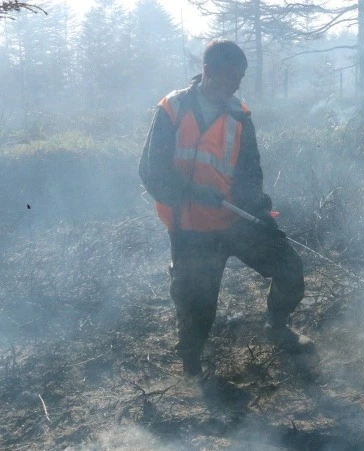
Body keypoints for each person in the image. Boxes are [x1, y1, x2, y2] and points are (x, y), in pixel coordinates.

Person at [139, 40, 313, 377]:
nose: (237, 84)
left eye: (241, 77)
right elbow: (151, 171)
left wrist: (262, 215)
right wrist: (190, 192)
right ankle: (193, 370)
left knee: (290, 269)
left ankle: (277, 327)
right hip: (190, 229)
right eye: (232, 77)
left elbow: (250, 172)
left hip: (234, 221)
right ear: (208, 72)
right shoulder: (172, 109)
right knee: (197, 307)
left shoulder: (239, 115)